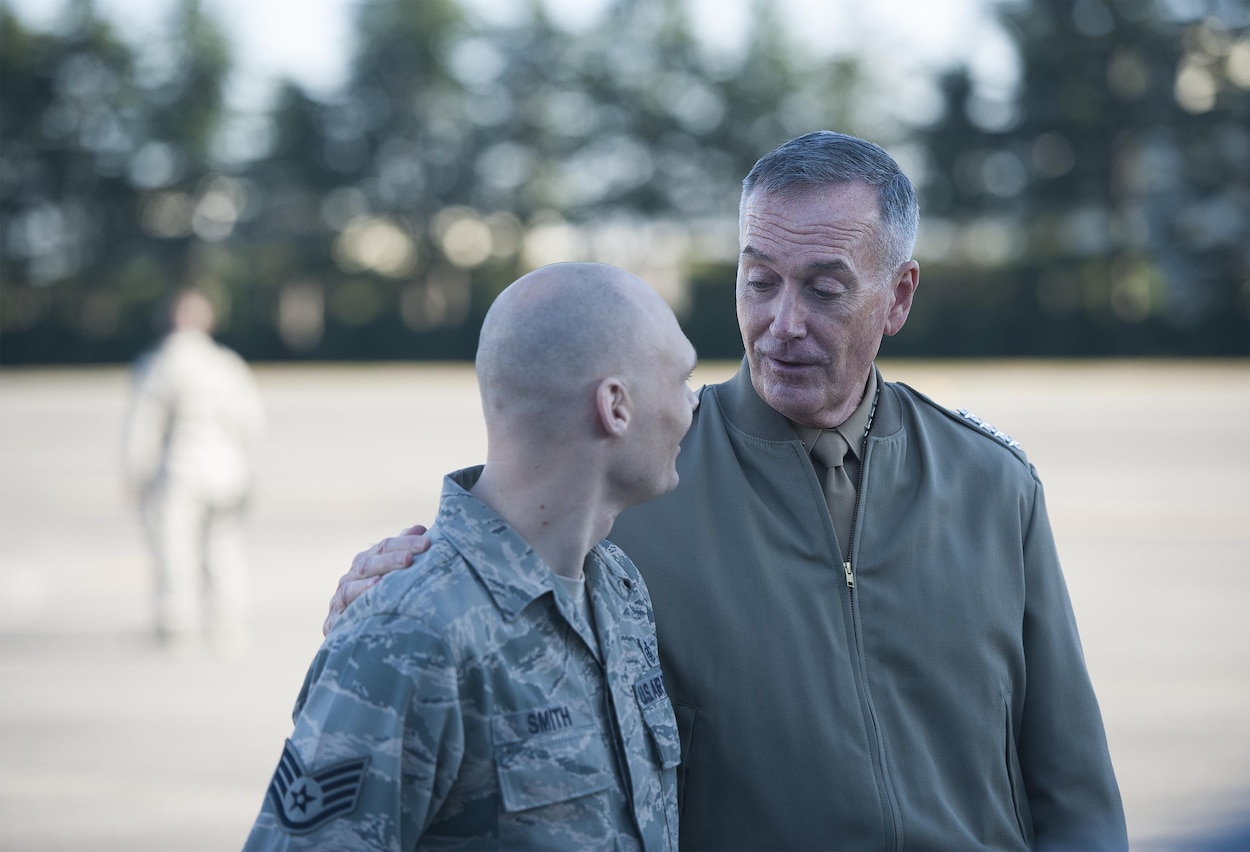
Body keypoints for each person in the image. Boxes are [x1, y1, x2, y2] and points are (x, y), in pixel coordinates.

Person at [326, 132, 1128, 850]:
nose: (782, 323)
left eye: (824, 288)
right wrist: (379, 603)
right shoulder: (637, 478)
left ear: (900, 296)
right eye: (760, 281)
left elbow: (1075, 796)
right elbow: (475, 594)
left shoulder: (994, 487)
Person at [244, 263, 696, 849]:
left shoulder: (617, 587)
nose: (691, 406)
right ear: (616, 406)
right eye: (680, 379)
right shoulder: (408, 636)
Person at [123, 288, 265, 653]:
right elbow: (252, 422)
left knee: (176, 546)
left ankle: (178, 623)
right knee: (224, 547)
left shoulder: (160, 363)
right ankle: (228, 623)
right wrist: (251, 471)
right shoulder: (227, 363)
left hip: (181, 470)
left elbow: (145, 425)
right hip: (228, 470)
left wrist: (137, 473)